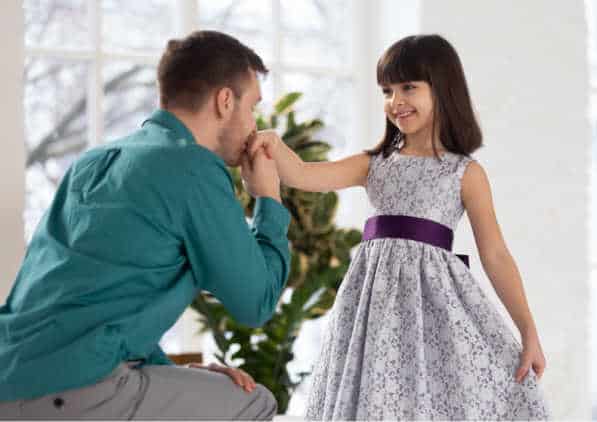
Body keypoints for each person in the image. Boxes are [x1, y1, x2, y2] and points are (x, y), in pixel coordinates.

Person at [247, 34, 552, 420]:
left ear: (443, 90)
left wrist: (528, 332)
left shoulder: (464, 172)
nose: (396, 101)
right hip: (373, 305)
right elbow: (303, 174)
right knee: (377, 397)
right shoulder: (374, 163)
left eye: (409, 87)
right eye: (388, 91)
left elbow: (495, 254)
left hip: (435, 307)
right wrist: (272, 144)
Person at [0, 30, 290, 419]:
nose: (253, 124)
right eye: (252, 106)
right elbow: (256, 302)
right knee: (255, 402)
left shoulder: (95, 161)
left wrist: (167, 375)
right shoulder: (192, 168)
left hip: (10, 381)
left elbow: (85, 300)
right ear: (225, 101)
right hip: (73, 392)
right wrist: (268, 198)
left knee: (213, 394)